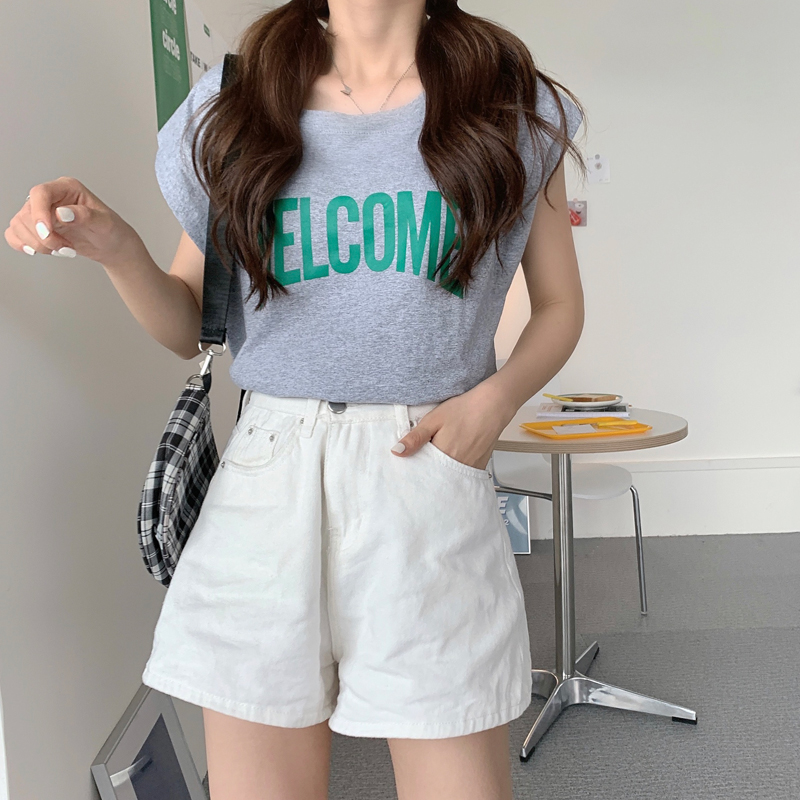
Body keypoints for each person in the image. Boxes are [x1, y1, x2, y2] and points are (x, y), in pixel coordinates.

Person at [5, 0, 585, 796]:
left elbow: (560, 305)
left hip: (427, 470)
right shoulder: (239, 97)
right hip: (269, 480)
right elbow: (188, 324)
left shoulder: (506, 96)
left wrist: (496, 399)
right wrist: (117, 248)